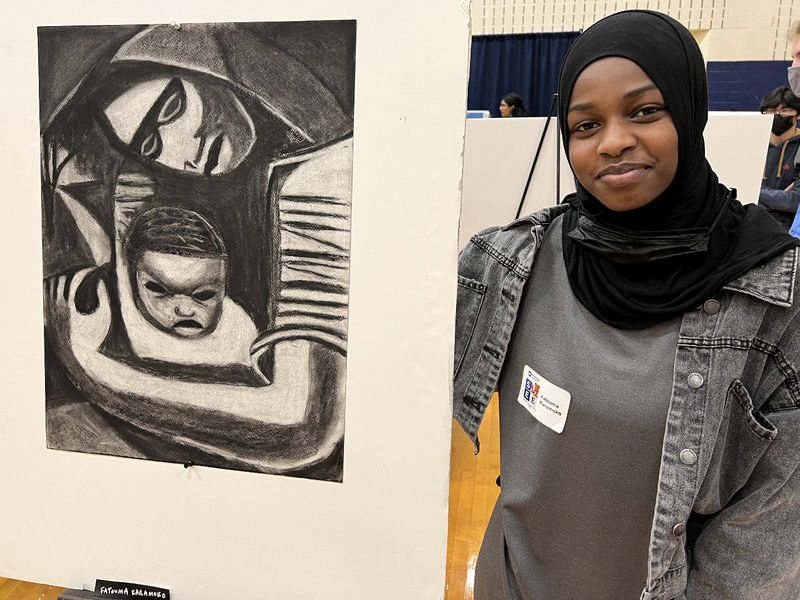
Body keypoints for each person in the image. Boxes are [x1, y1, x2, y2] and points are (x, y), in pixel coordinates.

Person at [453, 10, 800, 599]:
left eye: (645, 112)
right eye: (585, 126)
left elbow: (765, 549)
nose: (613, 142)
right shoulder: (513, 263)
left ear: (690, 114)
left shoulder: (775, 303)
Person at [758, 86, 800, 228]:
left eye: (785, 110)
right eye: (771, 110)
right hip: (750, 229)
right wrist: (777, 197)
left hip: (787, 234)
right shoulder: (751, 144)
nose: (777, 115)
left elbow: (794, 201)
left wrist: (756, 192)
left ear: (798, 115)